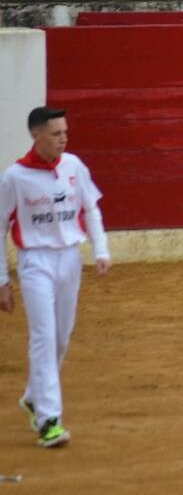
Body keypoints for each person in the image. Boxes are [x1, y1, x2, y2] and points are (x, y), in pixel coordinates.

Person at [0, 107, 111, 449]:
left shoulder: (74, 166)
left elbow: (90, 207)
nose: (63, 138)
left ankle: (34, 397)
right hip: (35, 263)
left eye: (65, 132)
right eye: (55, 133)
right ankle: (50, 419)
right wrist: (2, 279)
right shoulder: (15, 177)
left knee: (61, 339)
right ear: (36, 135)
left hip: (70, 260)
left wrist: (101, 249)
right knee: (43, 338)